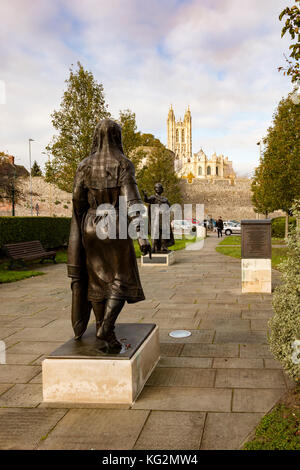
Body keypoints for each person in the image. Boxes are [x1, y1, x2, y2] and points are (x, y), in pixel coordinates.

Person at [67, 119, 151, 351]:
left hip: (90, 225)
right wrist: (142, 235)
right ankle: (106, 326)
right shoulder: (123, 164)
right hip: (115, 222)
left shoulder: (84, 165)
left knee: (97, 278)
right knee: (121, 278)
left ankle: (104, 330)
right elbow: (132, 201)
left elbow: (77, 199)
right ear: (117, 137)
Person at [142, 183, 174, 253]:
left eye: (160, 188)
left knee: (164, 233)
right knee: (155, 233)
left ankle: (164, 247)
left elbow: (169, 207)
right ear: (155, 189)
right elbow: (147, 200)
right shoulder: (153, 198)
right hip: (156, 218)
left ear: (162, 190)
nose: (158, 189)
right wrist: (145, 195)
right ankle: (154, 247)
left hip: (163, 218)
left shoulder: (165, 199)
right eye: (157, 188)